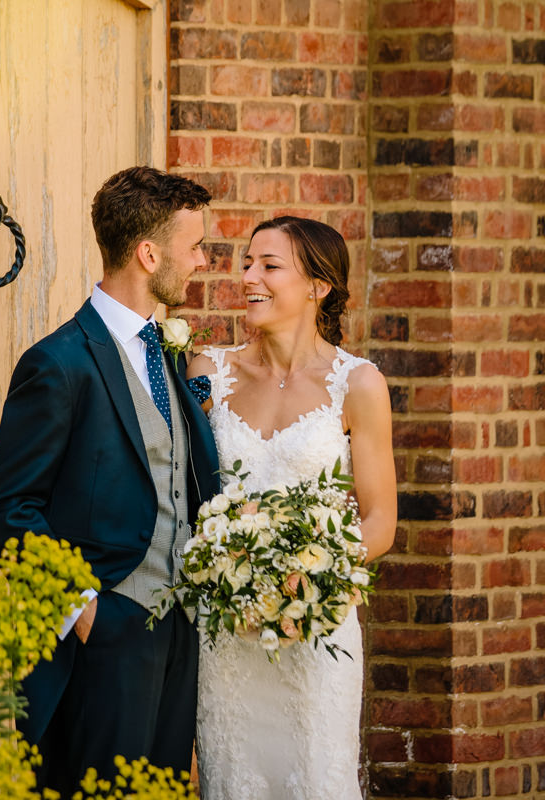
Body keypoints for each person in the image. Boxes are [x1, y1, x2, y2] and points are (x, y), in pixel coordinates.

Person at [0, 166, 222, 796]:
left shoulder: (167, 351)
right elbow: (4, 503)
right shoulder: (58, 364)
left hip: (179, 631)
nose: (202, 261)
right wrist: (82, 610)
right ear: (148, 253)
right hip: (105, 634)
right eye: (194, 247)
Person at [187, 215, 397, 799]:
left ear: (318, 286)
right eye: (247, 263)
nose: (249, 277)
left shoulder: (358, 384)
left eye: (269, 266)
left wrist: (308, 580)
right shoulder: (206, 374)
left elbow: (379, 521)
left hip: (315, 632)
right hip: (228, 635)